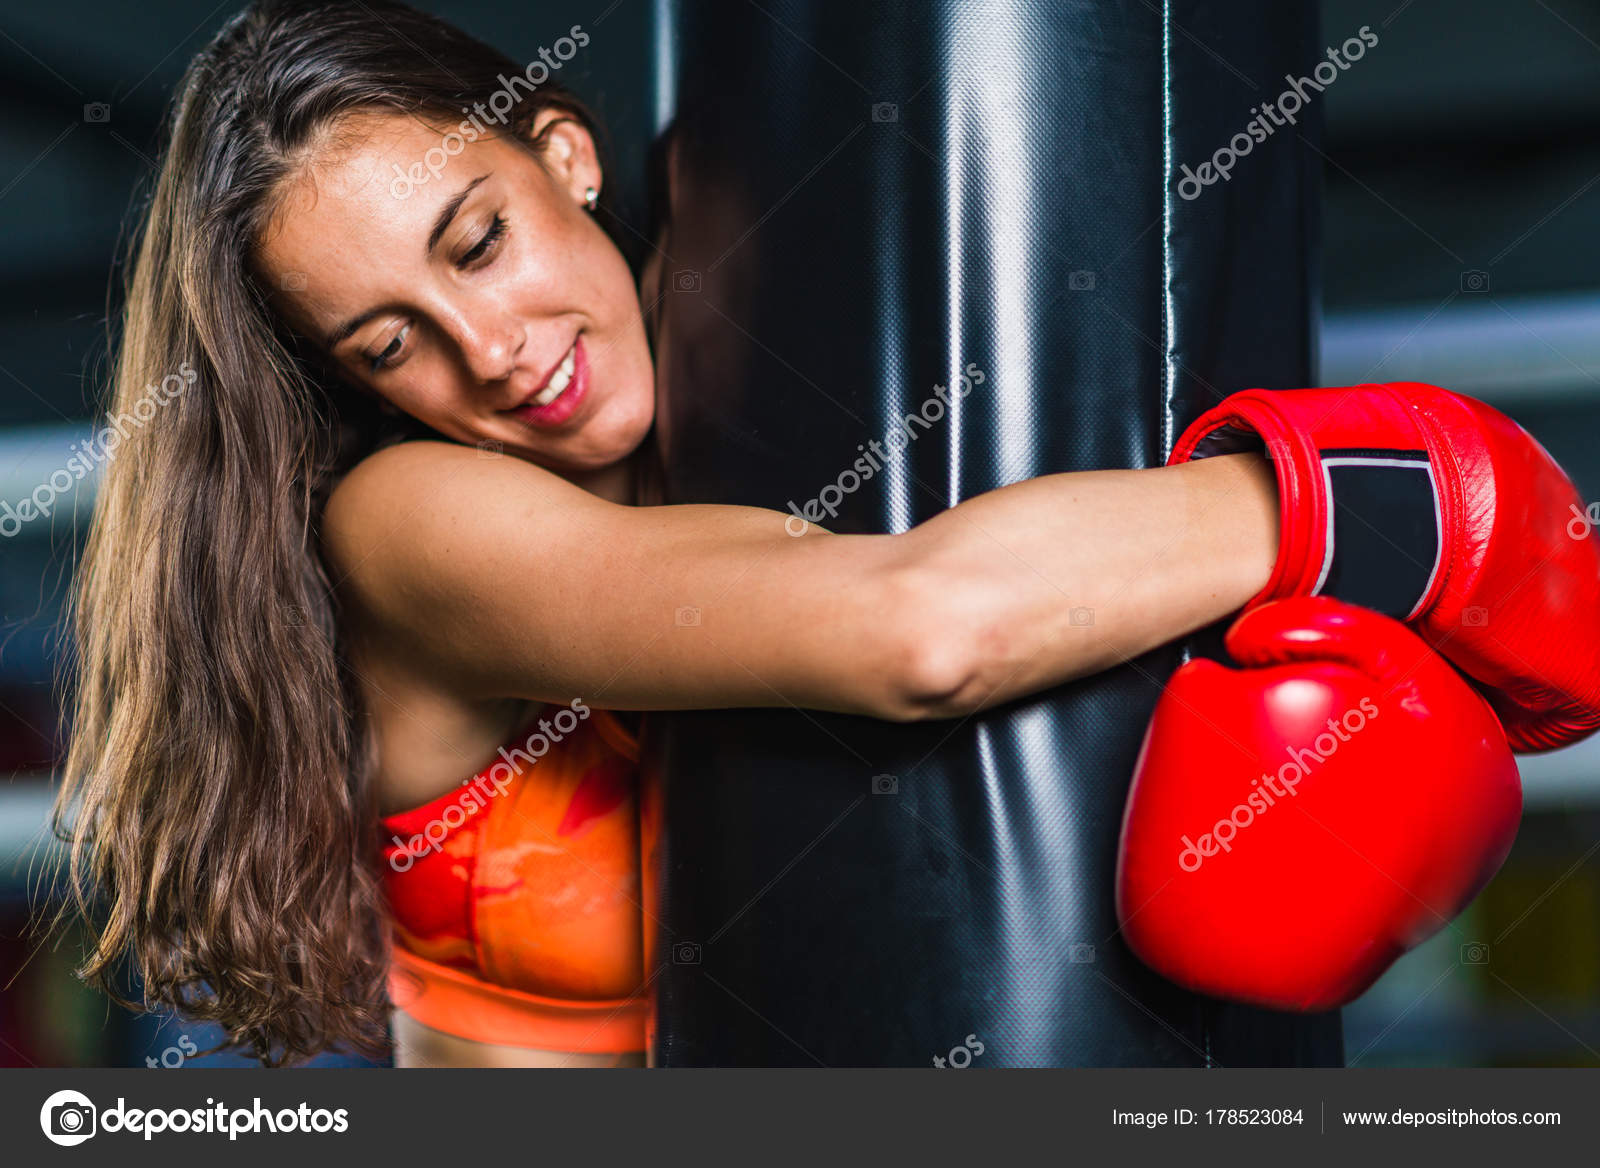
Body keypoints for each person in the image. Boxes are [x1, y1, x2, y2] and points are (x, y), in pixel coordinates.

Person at [53, 0, 1595, 1068]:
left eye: (481, 239)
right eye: (391, 344)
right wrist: (1400, 512)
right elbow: (921, 635)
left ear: (566, 156)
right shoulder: (412, 524)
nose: (491, 347)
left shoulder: (739, 364)